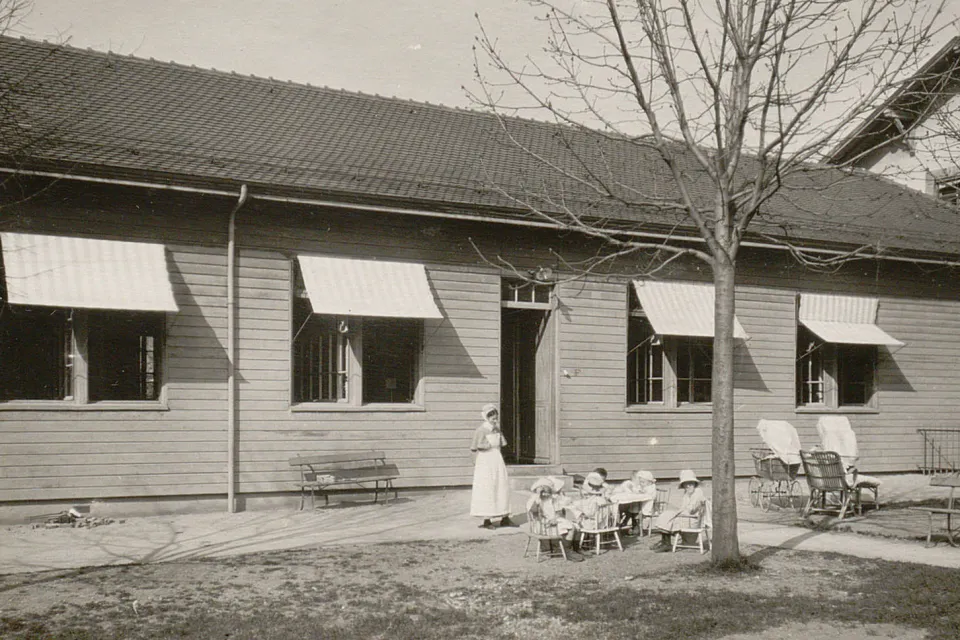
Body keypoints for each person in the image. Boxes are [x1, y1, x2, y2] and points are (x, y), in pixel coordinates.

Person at [470, 403, 516, 529]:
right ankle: (487, 520)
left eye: (496, 417)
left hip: (497, 459)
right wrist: (487, 445)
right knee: (488, 487)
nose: (494, 420)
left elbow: (502, 443)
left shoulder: (497, 429)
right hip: (485, 461)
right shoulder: (481, 430)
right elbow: (475, 446)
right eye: (491, 418)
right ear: (486, 417)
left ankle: (504, 517)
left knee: (501, 485)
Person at [527, 476, 584, 561]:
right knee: (570, 528)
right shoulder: (535, 500)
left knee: (575, 525)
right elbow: (534, 512)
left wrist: (556, 518)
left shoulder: (552, 499)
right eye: (543, 492)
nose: (545, 494)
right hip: (541, 525)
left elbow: (558, 512)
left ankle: (575, 548)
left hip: (553, 521)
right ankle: (567, 550)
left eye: (547, 492)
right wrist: (537, 498)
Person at [650, 469, 706, 552]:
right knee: (666, 515)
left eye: (690, 483)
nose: (688, 486)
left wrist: (678, 512)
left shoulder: (698, 493)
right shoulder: (688, 494)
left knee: (668, 517)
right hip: (687, 518)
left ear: (694, 483)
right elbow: (684, 508)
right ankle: (665, 542)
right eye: (685, 484)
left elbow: (691, 509)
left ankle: (666, 544)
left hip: (692, 521)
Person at [612, 469, 657, 534]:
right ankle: (626, 523)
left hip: (648, 505)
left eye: (643, 482)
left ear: (649, 482)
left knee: (633, 507)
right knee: (631, 507)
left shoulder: (651, 487)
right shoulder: (643, 486)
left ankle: (634, 526)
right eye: (640, 482)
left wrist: (641, 492)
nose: (641, 484)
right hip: (641, 503)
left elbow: (648, 495)